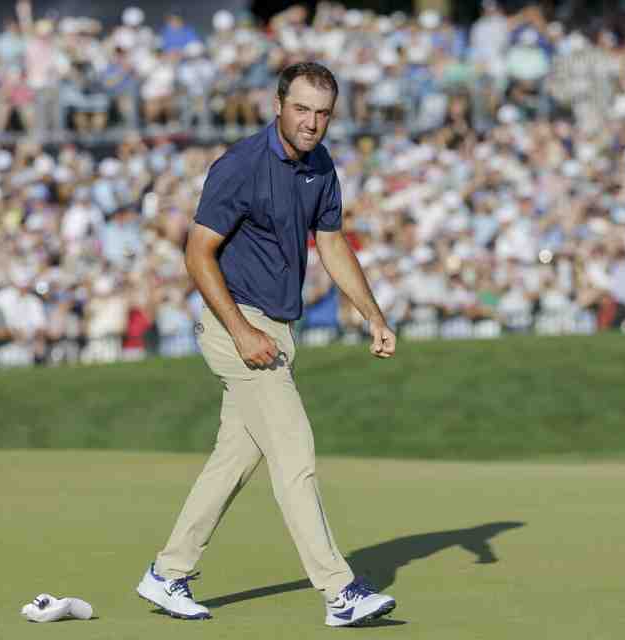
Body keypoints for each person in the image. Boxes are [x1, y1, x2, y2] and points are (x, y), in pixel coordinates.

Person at [135, 62, 398, 628]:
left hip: (275, 328)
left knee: (232, 461)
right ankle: (339, 590)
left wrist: (372, 314)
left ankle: (167, 572)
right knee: (295, 455)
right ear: (277, 105)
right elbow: (196, 253)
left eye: (322, 113)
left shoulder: (321, 165)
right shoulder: (241, 166)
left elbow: (331, 243)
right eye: (301, 108)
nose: (311, 122)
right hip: (236, 328)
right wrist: (241, 330)